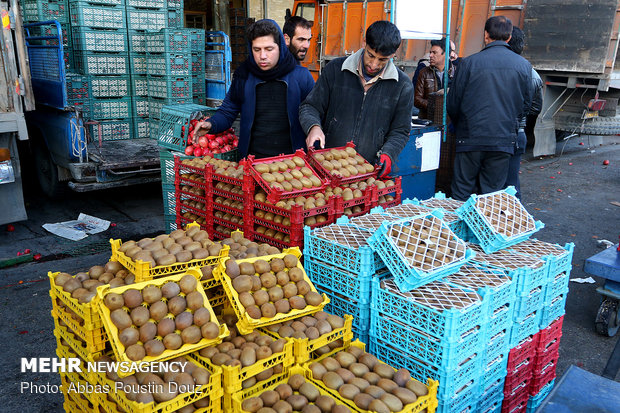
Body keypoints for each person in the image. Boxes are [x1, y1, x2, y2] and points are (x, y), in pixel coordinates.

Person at [299, 20, 414, 178]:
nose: (373, 64)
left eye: (382, 60)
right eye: (371, 55)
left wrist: (388, 154)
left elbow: (401, 131)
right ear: (364, 42)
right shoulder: (335, 70)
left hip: (369, 173)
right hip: (326, 168)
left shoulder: (402, 85)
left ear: (393, 55)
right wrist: (313, 127)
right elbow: (310, 106)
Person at [193, 19, 314, 159]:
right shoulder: (243, 76)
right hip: (252, 161)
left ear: (280, 46)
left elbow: (313, 113)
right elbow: (228, 111)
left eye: (269, 49)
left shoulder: (301, 77)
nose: (262, 56)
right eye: (257, 49)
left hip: (292, 164)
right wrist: (211, 124)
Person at [447, 15, 532, 201]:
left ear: (486, 35)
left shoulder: (468, 63)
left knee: (461, 194)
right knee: (491, 197)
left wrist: (461, 126)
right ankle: (485, 230)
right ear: (509, 37)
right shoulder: (524, 66)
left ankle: (460, 230)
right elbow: (526, 105)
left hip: (470, 138)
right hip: (502, 140)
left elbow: (453, 103)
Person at [505, 26, 543, 199]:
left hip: (492, 133)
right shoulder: (532, 73)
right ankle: (514, 222)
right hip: (517, 132)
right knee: (512, 184)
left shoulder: (485, 66)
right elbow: (536, 108)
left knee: (490, 185)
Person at [414, 38, 455, 120]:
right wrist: (436, 105)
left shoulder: (457, 72)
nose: (430, 55)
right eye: (430, 52)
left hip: (450, 121)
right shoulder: (424, 72)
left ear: (446, 54)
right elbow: (417, 100)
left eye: (434, 53)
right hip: (427, 120)